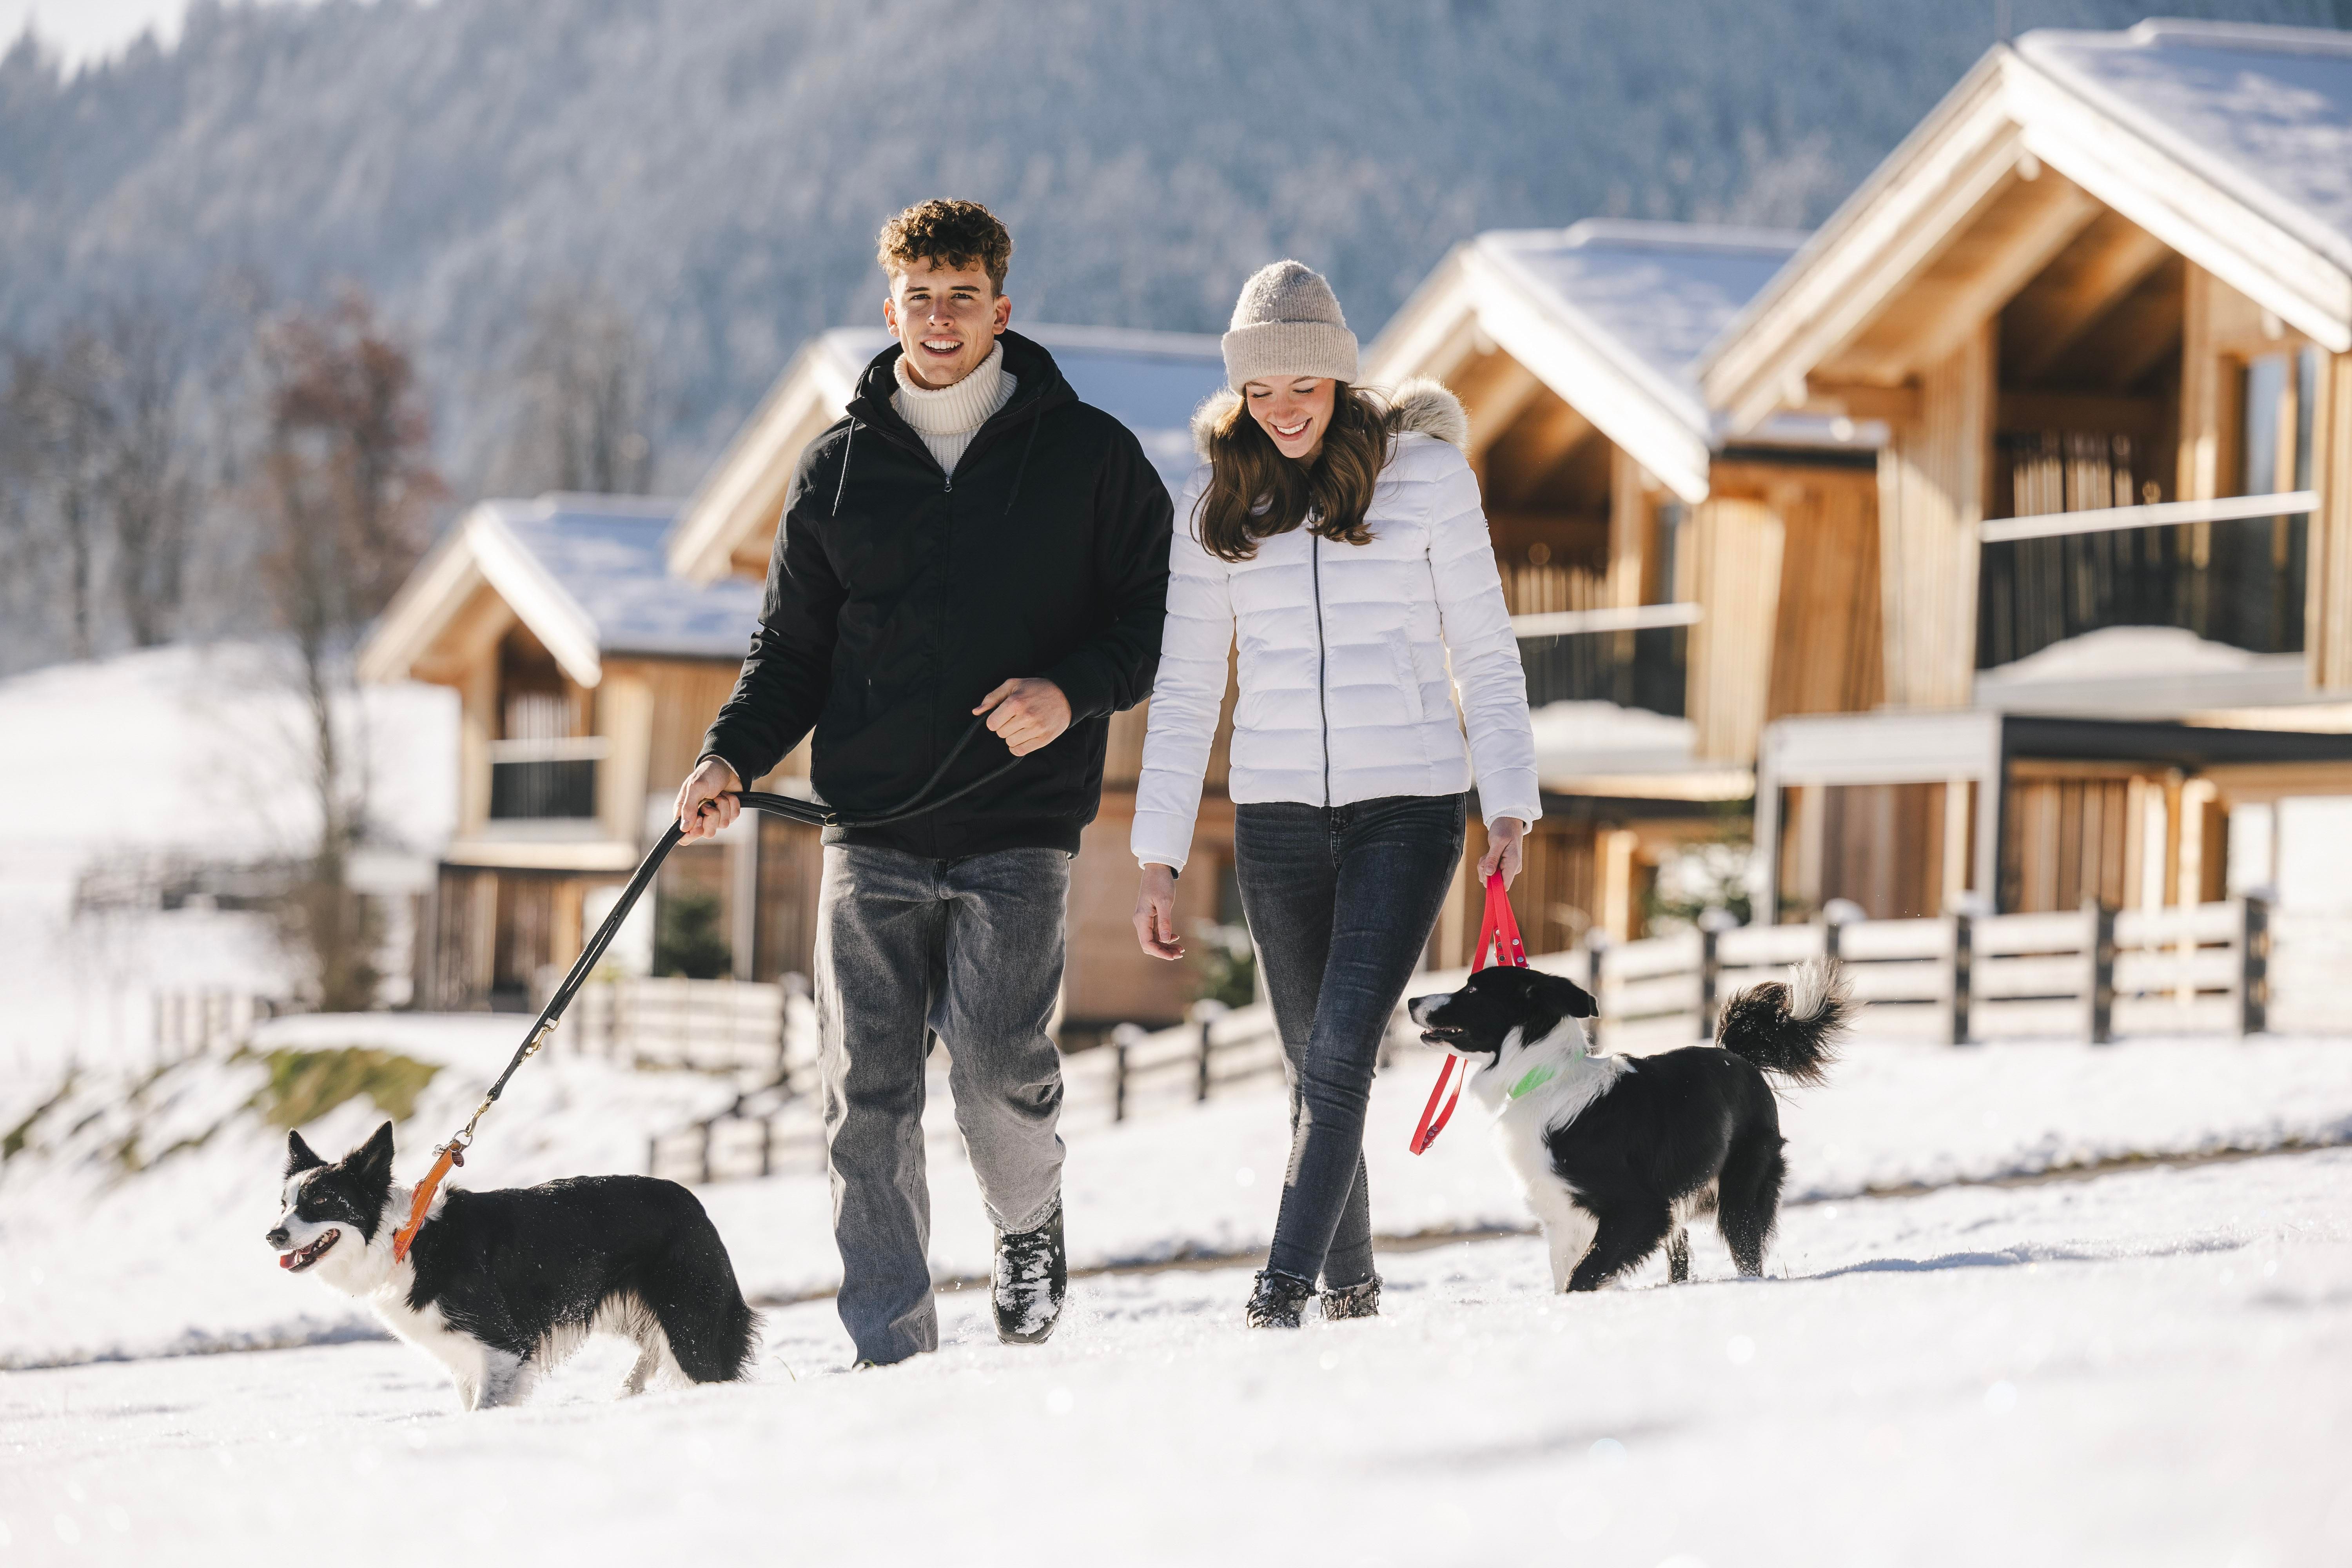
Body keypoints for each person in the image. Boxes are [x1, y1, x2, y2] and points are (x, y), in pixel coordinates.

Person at [677, 200, 1173, 1365]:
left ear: (1002, 308)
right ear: (888, 306)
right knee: (867, 1099)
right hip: (871, 834)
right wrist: (729, 757)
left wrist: (1072, 691)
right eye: (920, 297)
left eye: (963, 296)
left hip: (1018, 827)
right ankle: (891, 1355)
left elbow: (1153, 623)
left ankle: (1026, 1221)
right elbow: (789, 657)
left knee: (1002, 1076)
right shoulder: (837, 471)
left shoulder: (1090, 457)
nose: (940, 318)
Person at [1129, 259, 1538, 1328]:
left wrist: (1508, 800)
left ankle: (1280, 1296)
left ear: (1342, 380)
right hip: (1273, 826)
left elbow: (1487, 655)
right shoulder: (1219, 504)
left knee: (1343, 1055)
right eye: (1259, 394)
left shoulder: (1429, 480)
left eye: (1302, 388)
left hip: (1406, 810)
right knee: (1315, 1068)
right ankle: (1353, 1292)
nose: (1282, 412)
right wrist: (1157, 858)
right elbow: (1182, 694)